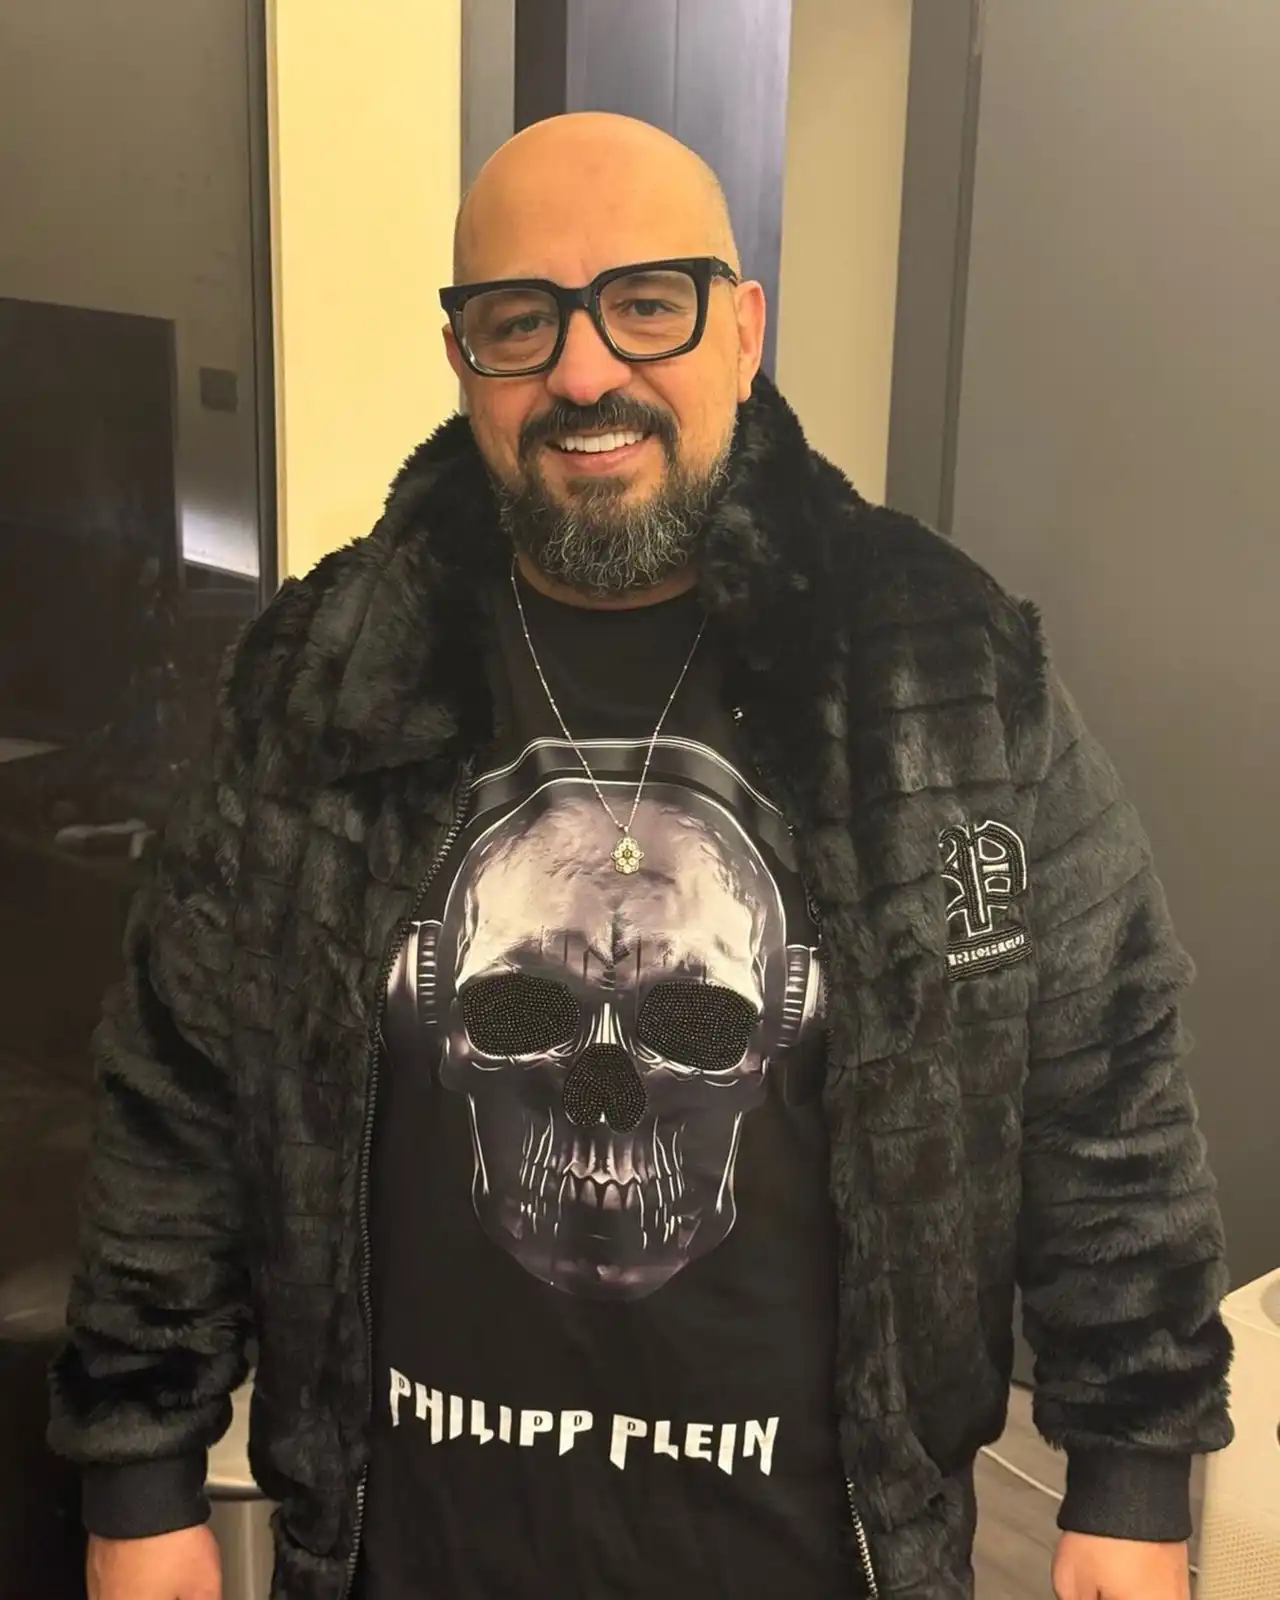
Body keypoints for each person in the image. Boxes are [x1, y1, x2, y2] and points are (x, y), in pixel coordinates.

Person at [50, 112, 1232, 1600]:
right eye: (520, 319)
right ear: (462, 354)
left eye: (647, 304)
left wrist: (1131, 1481)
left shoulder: (939, 668)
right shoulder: (321, 674)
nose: (584, 370)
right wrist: (139, 1475)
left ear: (743, 328)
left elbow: (1104, 1079)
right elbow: (178, 1091)